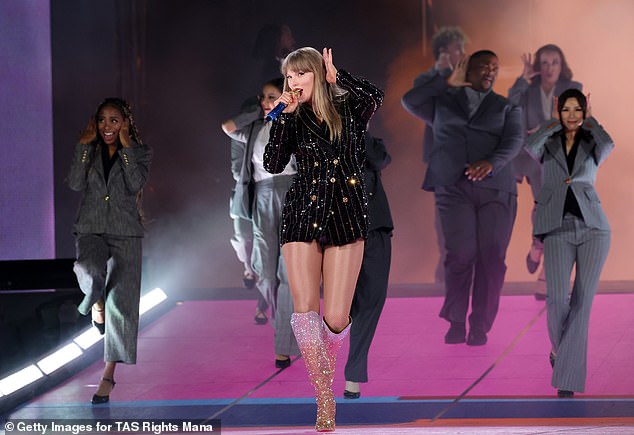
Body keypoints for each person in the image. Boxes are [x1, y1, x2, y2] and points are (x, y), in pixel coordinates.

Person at [264, 47, 383, 431]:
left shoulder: (349, 108)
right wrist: (282, 115)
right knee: (304, 309)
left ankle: (325, 374)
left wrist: (339, 77)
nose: (294, 82)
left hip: (347, 214)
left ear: (316, 73)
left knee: (334, 317)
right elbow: (271, 164)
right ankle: (323, 395)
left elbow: (375, 97)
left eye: (301, 74)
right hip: (303, 211)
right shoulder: (290, 117)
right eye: (289, 76)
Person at [401, 50, 523, 346]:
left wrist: (491, 163)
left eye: (495, 67)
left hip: (495, 189)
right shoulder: (442, 102)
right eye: (484, 66)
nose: (491, 72)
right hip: (452, 187)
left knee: (491, 257)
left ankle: (479, 323)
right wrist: (446, 81)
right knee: (461, 253)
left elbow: (515, 140)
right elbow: (410, 100)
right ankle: (456, 319)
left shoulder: (506, 107)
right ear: (467, 70)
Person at [525, 89, 613, 398]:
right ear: (559, 111)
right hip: (556, 227)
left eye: (578, 109)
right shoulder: (547, 144)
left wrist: (592, 119)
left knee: (583, 302)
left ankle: (567, 380)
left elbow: (609, 143)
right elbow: (529, 146)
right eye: (567, 110)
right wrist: (552, 122)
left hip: (593, 228)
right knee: (556, 301)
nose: (572, 115)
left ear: (585, 111)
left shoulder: (593, 143)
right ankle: (558, 352)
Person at [67, 97, 152, 404]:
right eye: (102, 119)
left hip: (126, 232)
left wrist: (128, 146)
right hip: (90, 227)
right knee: (88, 269)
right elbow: (76, 183)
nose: (107, 126)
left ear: (125, 123)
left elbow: (134, 184)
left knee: (123, 306)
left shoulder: (140, 152)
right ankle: (93, 301)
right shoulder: (87, 150)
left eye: (114, 120)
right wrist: (82, 144)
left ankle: (108, 376)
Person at [222, 77, 299, 367]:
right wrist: (260, 112)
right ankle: (287, 325)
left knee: (288, 273)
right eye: (264, 98)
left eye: (272, 97)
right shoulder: (254, 128)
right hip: (263, 199)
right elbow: (228, 127)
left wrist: (284, 110)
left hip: (292, 193)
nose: (266, 102)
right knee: (265, 272)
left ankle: (283, 342)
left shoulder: (296, 126)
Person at [508, 44, 582, 289]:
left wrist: (548, 126)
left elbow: (577, 121)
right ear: (538, 67)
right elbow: (507, 108)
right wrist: (521, 80)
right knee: (544, 207)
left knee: (558, 211)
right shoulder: (527, 91)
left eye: (555, 62)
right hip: (534, 158)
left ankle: (546, 268)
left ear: (563, 66)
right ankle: (538, 243)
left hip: (563, 158)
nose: (550, 68)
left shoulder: (573, 89)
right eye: (545, 62)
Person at [403, 26, 469, 283]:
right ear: (443, 51)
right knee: (444, 214)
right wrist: (442, 74)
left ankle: (462, 264)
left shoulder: (467, 78)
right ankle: (447, 262)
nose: (463, 53)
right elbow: (416, 102)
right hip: (441, 155)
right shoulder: (425, 80)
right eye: (458, 48)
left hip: (467, 154)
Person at [343, 130, 393, 400]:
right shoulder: (318, 133)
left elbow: (380, 159)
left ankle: (354, 373)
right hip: (338, 230)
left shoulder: (367, 137)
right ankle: (323, 368)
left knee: (372, 300)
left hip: (375, 225)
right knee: (341, 309)